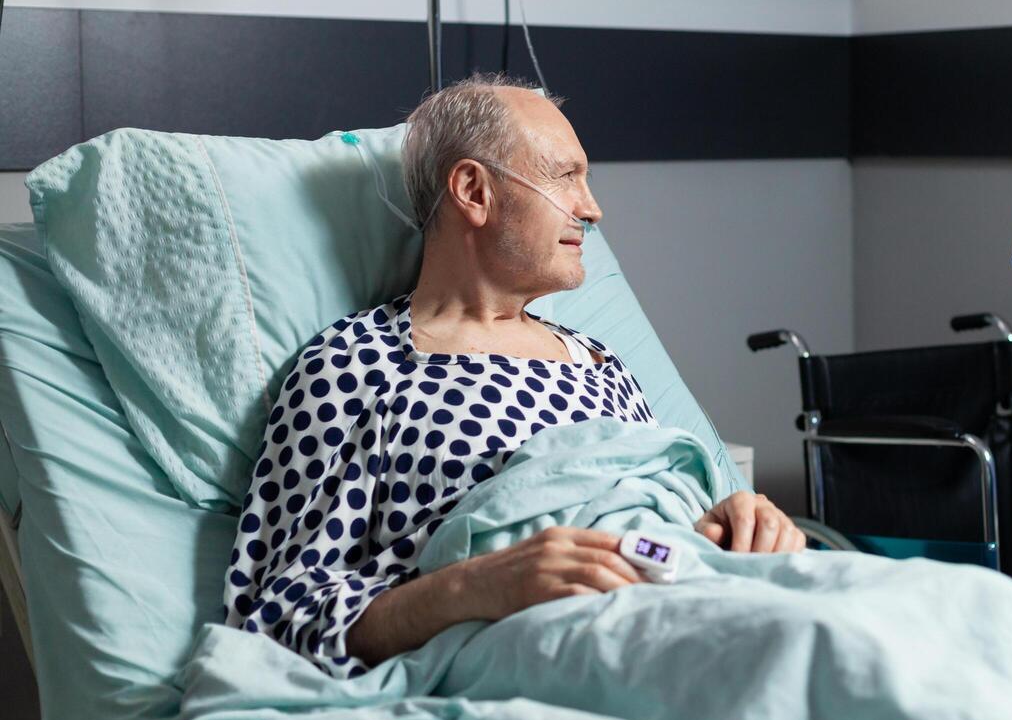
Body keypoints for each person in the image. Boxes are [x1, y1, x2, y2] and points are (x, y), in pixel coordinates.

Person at [224, 75, 804, 677]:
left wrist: (732, 528)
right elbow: (273, 623)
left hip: (691, 614)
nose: (592, 207)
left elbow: (655, 524)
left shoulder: (602, 365)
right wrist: (473, 587)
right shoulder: (357, 369)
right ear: (474, 190)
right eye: (564, 176)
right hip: (561, 657)